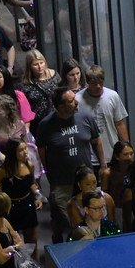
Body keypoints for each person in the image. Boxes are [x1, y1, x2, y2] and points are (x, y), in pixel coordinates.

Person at [35, 88, 96, 237]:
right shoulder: (46, 125)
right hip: (62, 181)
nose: (76, 103)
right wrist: (48, 172)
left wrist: (102, 166)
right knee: (64, 219)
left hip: (85, 180)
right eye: (71, 101)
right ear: (60, 107)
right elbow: (41, 150)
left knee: (88, 217)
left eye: (75, 99)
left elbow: (97, 141)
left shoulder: (86, 117)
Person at [0, 137, 44, 245]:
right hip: (10, 207)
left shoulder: (29, 165)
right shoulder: (2, 170)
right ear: (13, 152)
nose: (25, 152)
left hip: (27, 204)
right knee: (11, 241)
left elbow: (31, 183)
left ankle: (33, 261)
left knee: (32, 241)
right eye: (21, 150)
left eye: (25, 148)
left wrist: (38, 196)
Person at [77, 64, 130, 165]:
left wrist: (127, 150)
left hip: (112, 154)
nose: (98, 86)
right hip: (89, 157)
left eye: (100, 83)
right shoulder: (78, 99)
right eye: (94, 83)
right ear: (88, 82)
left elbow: (119, 124)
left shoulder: (112, 96)